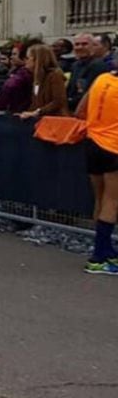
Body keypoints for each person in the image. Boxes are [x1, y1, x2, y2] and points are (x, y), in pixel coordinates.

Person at [79, 71, 118, 275]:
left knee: (100, 199)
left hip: (93, 142)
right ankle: (99, 257)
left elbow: (80, 110)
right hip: (113, 147)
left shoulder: (101, 79)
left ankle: (105, 250)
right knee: (112, 202)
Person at [16, 44, 69, 119]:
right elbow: (36, 100)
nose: (25, 61)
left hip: (55, 120)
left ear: (37, 59)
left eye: (28, 58)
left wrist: (37, 112)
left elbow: (58, 101)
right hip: (41, 119)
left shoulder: (55, 75)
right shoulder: (37, 77)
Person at [67, 33, 108, 112]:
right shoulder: (75, 65)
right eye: (77, 44)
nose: (80, 47)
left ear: (93, 46)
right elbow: (70, 89)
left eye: (84, 44)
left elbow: (90, 92)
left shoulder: (98, 65)